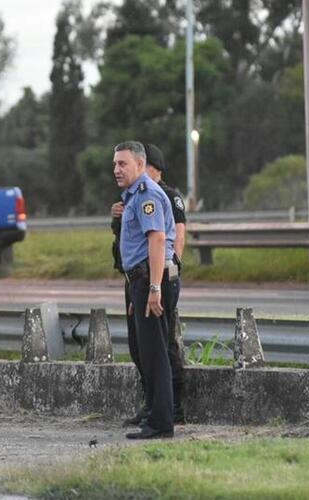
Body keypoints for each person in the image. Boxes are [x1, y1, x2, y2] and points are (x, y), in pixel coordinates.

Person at [112, 143, 187, 426]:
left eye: (123, 164)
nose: (117, 169)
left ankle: (163, 420)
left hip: (151, 280)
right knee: (146, 351)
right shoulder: (132, 197)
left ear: (141, 165)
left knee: (157, 352)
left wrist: (154, 288)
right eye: (115, 164)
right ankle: (155, 414)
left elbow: (157, 240)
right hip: (141, 281)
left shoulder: (148, 196)